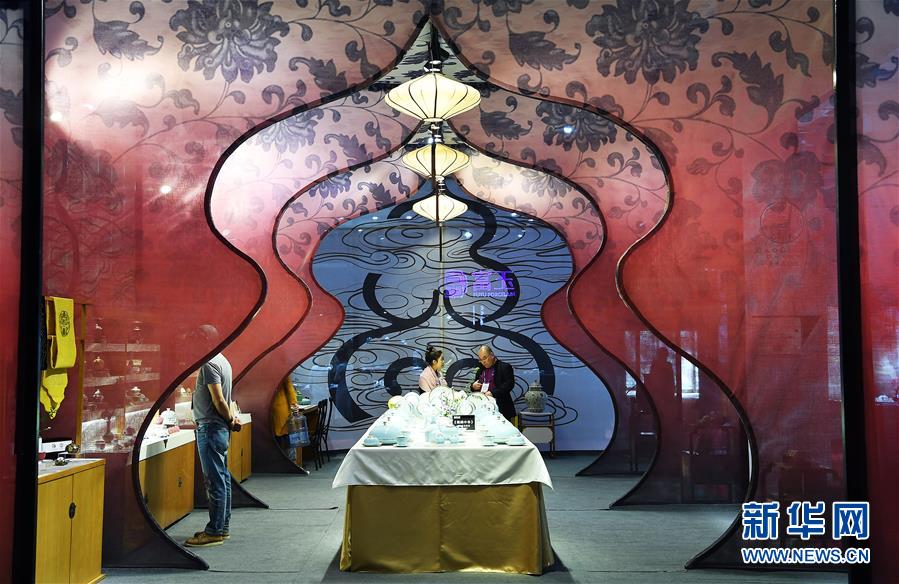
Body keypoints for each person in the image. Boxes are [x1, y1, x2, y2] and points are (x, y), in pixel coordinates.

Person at [185, 352, 240, 547]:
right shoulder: (223, 360)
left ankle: (214, 532)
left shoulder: (209, 363)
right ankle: (222, 527)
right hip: (218, 428)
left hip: (210, 428)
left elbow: (219, 400)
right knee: (222, 479)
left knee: (215, 481)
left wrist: (230, 419)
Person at [471, 345, 516, 421]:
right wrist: (473, 386)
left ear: (492, 355)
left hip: (501, 408)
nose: (483, 362)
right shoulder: (480, 370)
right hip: (483, 409)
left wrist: (492, 393)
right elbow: (475, 386)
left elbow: (509, 385)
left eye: (485, 358)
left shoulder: (504, 367)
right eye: (481, 360)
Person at [272, 376, 302, 461]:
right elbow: (289, 386)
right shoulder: (281, 372)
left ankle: (281, 462)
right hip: (282, 411)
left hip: (271, 411)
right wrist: (294, 403)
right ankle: (291, 462)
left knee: (278, 440)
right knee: (287, 438)